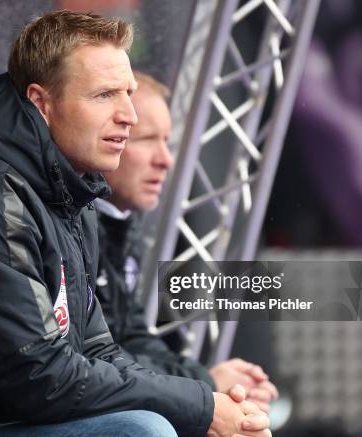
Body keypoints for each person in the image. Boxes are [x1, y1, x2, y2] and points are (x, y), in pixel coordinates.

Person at [0, 11, 271, 437]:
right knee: (141, 430)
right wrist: (199, 403)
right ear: (41, 103)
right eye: (104, 95)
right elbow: (40, 376)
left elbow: (99, 349)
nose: (128, 115)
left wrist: (201, 400)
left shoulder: (69, 193)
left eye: (128, 93)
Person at [97, 71, 279, 413]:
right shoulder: (73, 226)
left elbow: (132, 336)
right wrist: (205, 385)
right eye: (147, 139)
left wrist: (202, 380)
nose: (165, 159)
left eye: (168, 141)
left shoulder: (117, 227)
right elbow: (95, 358)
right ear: (105, 139)